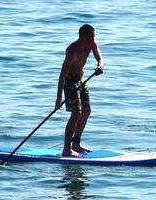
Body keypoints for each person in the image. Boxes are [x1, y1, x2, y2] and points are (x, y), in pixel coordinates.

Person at [55, 24, 104, 157]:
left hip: (81, 79)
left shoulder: (92, 43)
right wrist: (58, 99)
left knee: (87, 111)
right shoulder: (72, 50)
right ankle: (66, 149)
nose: (93, 39)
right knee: (76, 113)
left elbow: (100, 58)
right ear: (82, 36)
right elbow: (62, 76)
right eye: (90, 37)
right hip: (70, 81)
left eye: (94, 37)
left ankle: (76, 143)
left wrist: (99, 66)